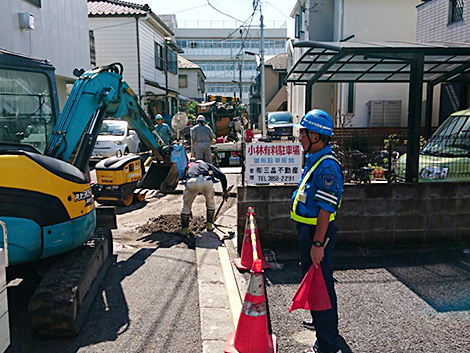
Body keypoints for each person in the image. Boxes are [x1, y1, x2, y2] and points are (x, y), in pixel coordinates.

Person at [290, 109, 343, 353]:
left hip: (316, 234)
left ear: (315, 136)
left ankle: (327, 343)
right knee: (316, 283)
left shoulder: (327, 167)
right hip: (310, 233)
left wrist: (318, 244)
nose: (299, 138)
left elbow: (325, 210)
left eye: (303, 134)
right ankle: (322, 324)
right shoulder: (315, 160)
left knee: (322, 286)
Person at [180, 160, 228, 237]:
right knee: (210, 203)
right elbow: (222, 176)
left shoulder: (191, 167)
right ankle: (209, 226)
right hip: (206, 181)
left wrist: (187, 198)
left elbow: (185, 180)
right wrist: (224, 191)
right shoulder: (206, 165)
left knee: (186, 207)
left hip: (191, 181)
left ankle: (184, 231)